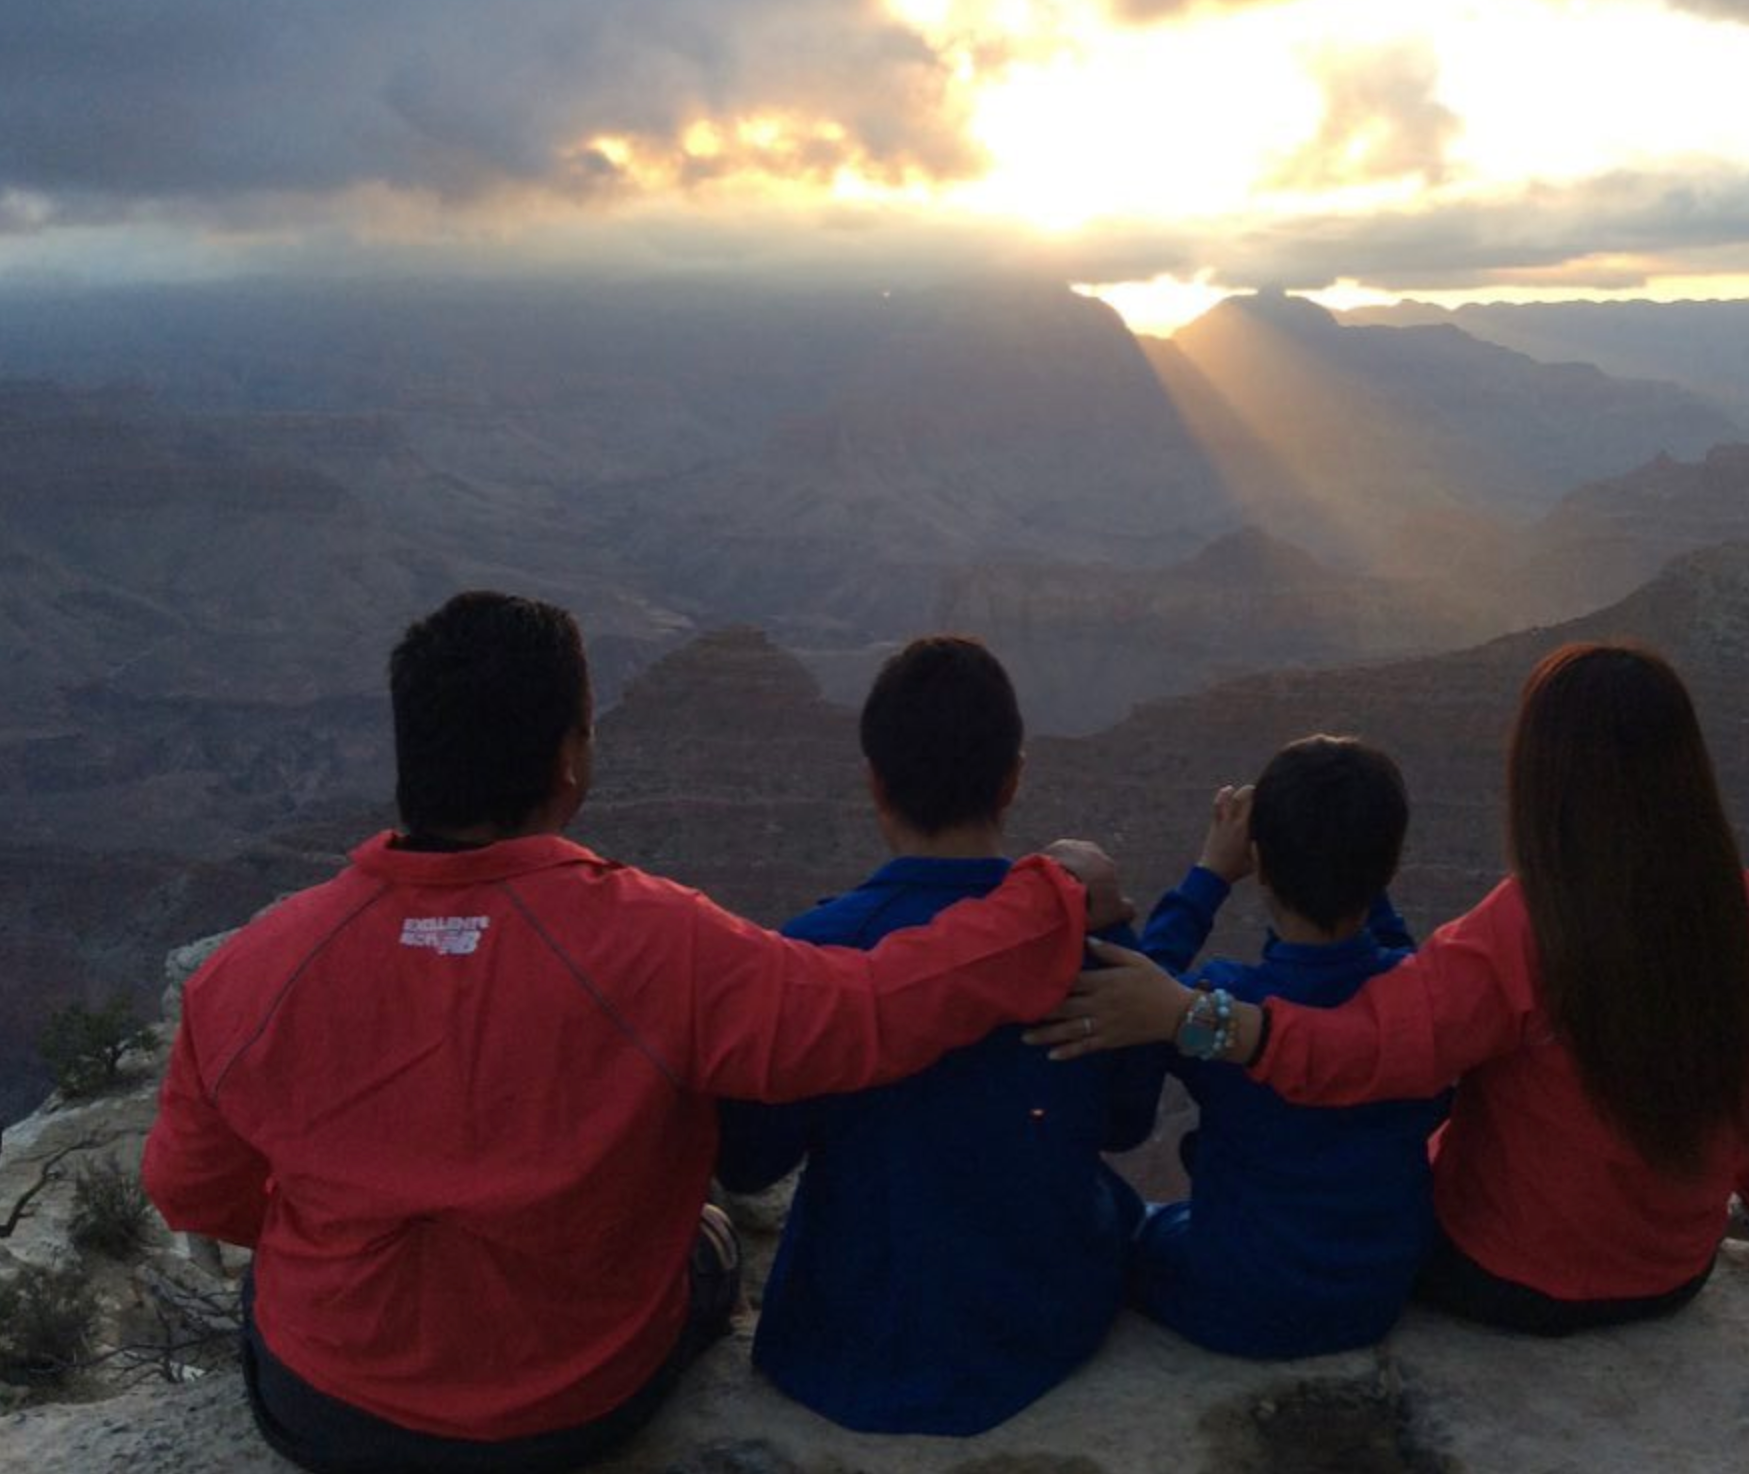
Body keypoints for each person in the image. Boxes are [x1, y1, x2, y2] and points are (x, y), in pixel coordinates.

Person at [142, 593, 1126, 1473]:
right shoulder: (658, 942)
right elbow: (870, 1008)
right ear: (570, 759)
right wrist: (1046, 900)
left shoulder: (253, 970)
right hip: (569, 1407)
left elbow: (194, 1191)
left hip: (325, 1408)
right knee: (707, 1240)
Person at [1032, 642, 1749, 1335]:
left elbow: (1371, 1048)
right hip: (1672, 1275)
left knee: (1133, 1233)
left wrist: (1188, 1013)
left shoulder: (1529, 927)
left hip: (1507, 1279)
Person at [716, 635, 1154, 1435]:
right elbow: (1127, 1121)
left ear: (875, 784)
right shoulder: (1088, 942)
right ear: (1014, 779)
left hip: (845, 1349)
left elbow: (752, 1158)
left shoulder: (813, 956)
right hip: (1043, 1329)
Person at [1128, 739, 1448, 1357]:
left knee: (1124, 1220)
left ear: (1260, 865)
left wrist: (1209, 875)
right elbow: (1403, 957)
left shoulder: (1223, 1007)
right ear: (1388, 869)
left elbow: (1140, 997)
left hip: (1237, 1302)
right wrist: (1354, 858)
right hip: (1375, 1294)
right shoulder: (1424, 1003)